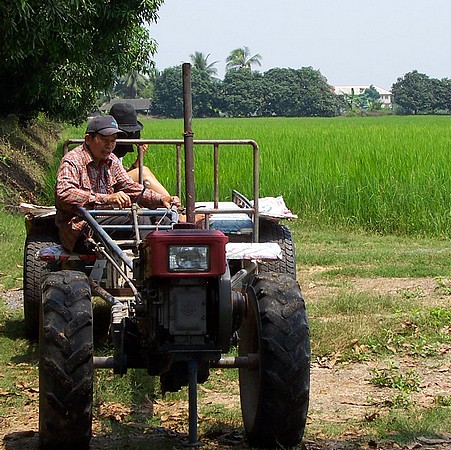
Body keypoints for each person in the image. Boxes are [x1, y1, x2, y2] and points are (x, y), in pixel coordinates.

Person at [55, 114, 180, 252]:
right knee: (138, 220)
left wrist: (161, 199)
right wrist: (107, 198)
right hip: (81, 227)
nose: (109, 146)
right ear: (88, 139)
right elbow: (64, 192)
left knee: (162, 219)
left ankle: (169, 264)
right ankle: (147, 265)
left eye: (113, 140)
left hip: (106, 222)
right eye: (104, 140)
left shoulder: (112, 160)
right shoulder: (73, 160)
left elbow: (130, 188)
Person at [109, 102, 170, 197]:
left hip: (112, 183)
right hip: (106, 188)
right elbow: (117, 178)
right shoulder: (107, 147)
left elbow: (121, 175)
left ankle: (170, 203)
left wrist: (140, 156)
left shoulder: (116, 153)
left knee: (142, 173)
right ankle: (172, 204)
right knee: (143, 172)